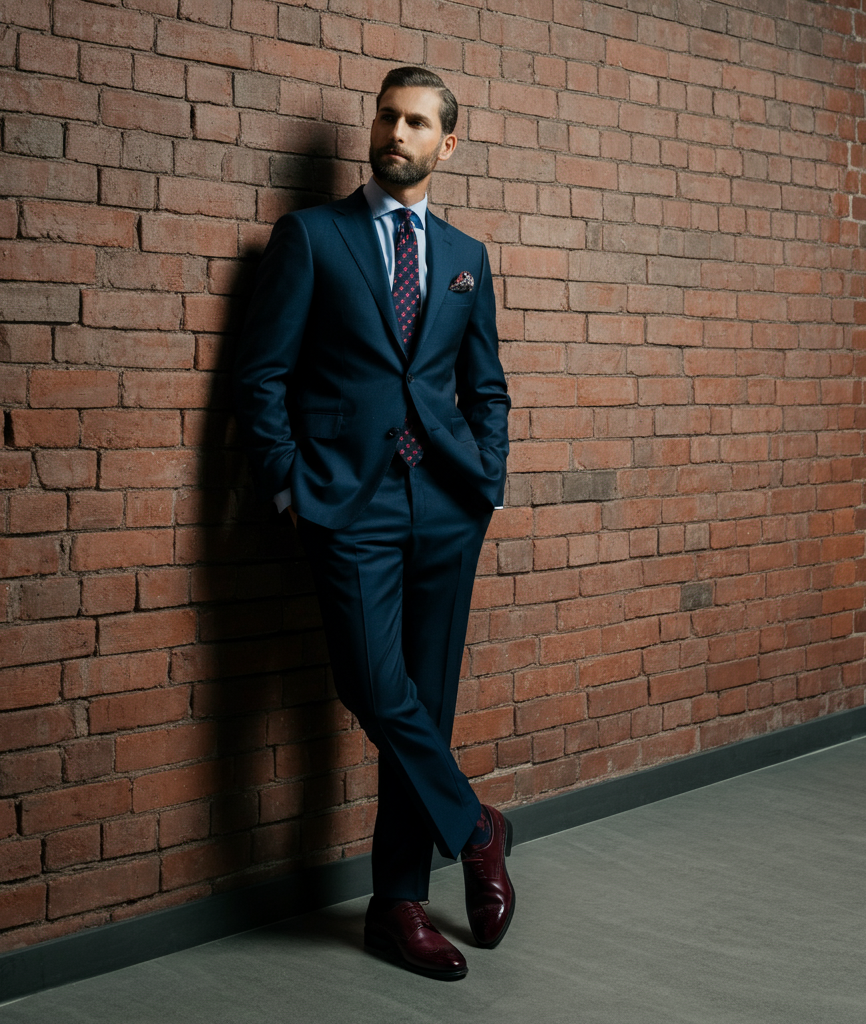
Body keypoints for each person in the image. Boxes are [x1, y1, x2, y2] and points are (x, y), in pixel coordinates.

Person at [234, 67, 513, 981]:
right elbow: (262, 375)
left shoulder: (467, 255)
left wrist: (485, 481)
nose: (398, 132)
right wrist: (289, 487)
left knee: (425, 702)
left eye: (418, 122)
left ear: (447, 144)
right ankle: (477, 827)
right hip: (347, 502)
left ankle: (397, 902)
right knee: (373, 685)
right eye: (388, 116)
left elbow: (486, 387)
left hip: (447, 506)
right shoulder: (313, 237)